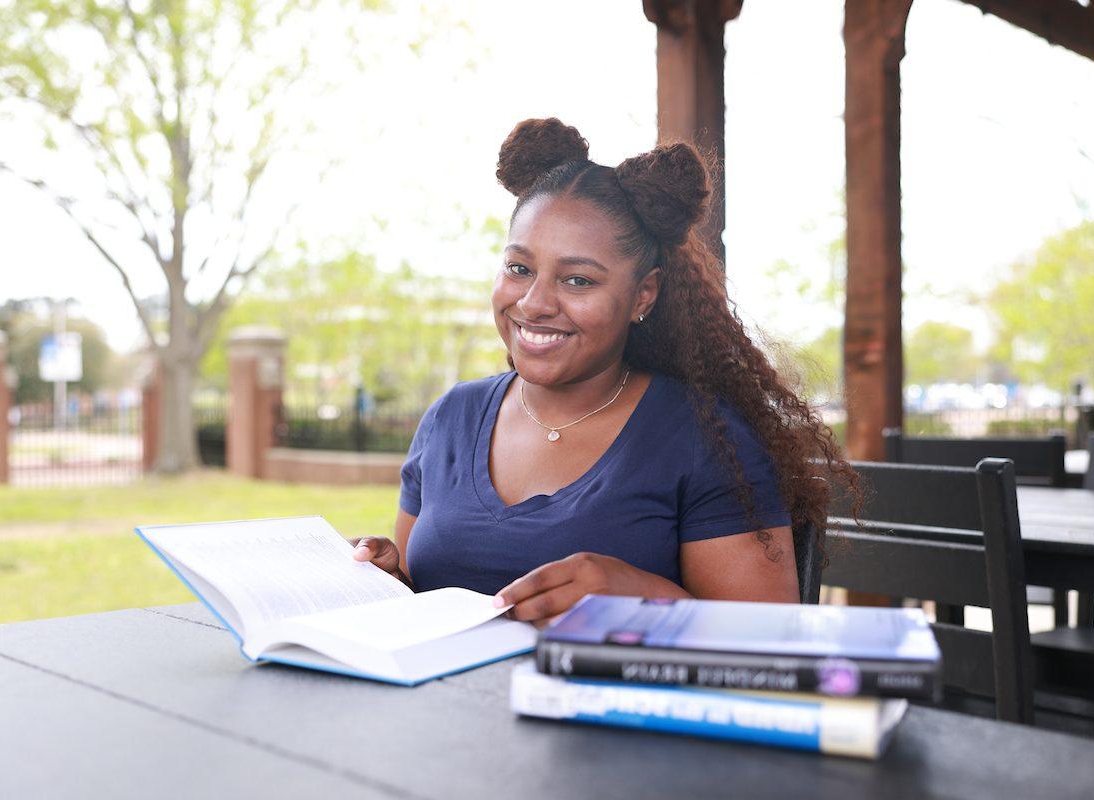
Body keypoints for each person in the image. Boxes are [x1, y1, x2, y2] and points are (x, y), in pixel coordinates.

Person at [352, 118, 851, 627]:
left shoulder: (705, 438)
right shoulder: (450, 419)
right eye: (519, 269)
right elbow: (427, 603)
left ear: (643, 295)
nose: (534, 302)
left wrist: (642, 597)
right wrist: (388, 580)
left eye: (577, 279)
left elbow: (771, 643)